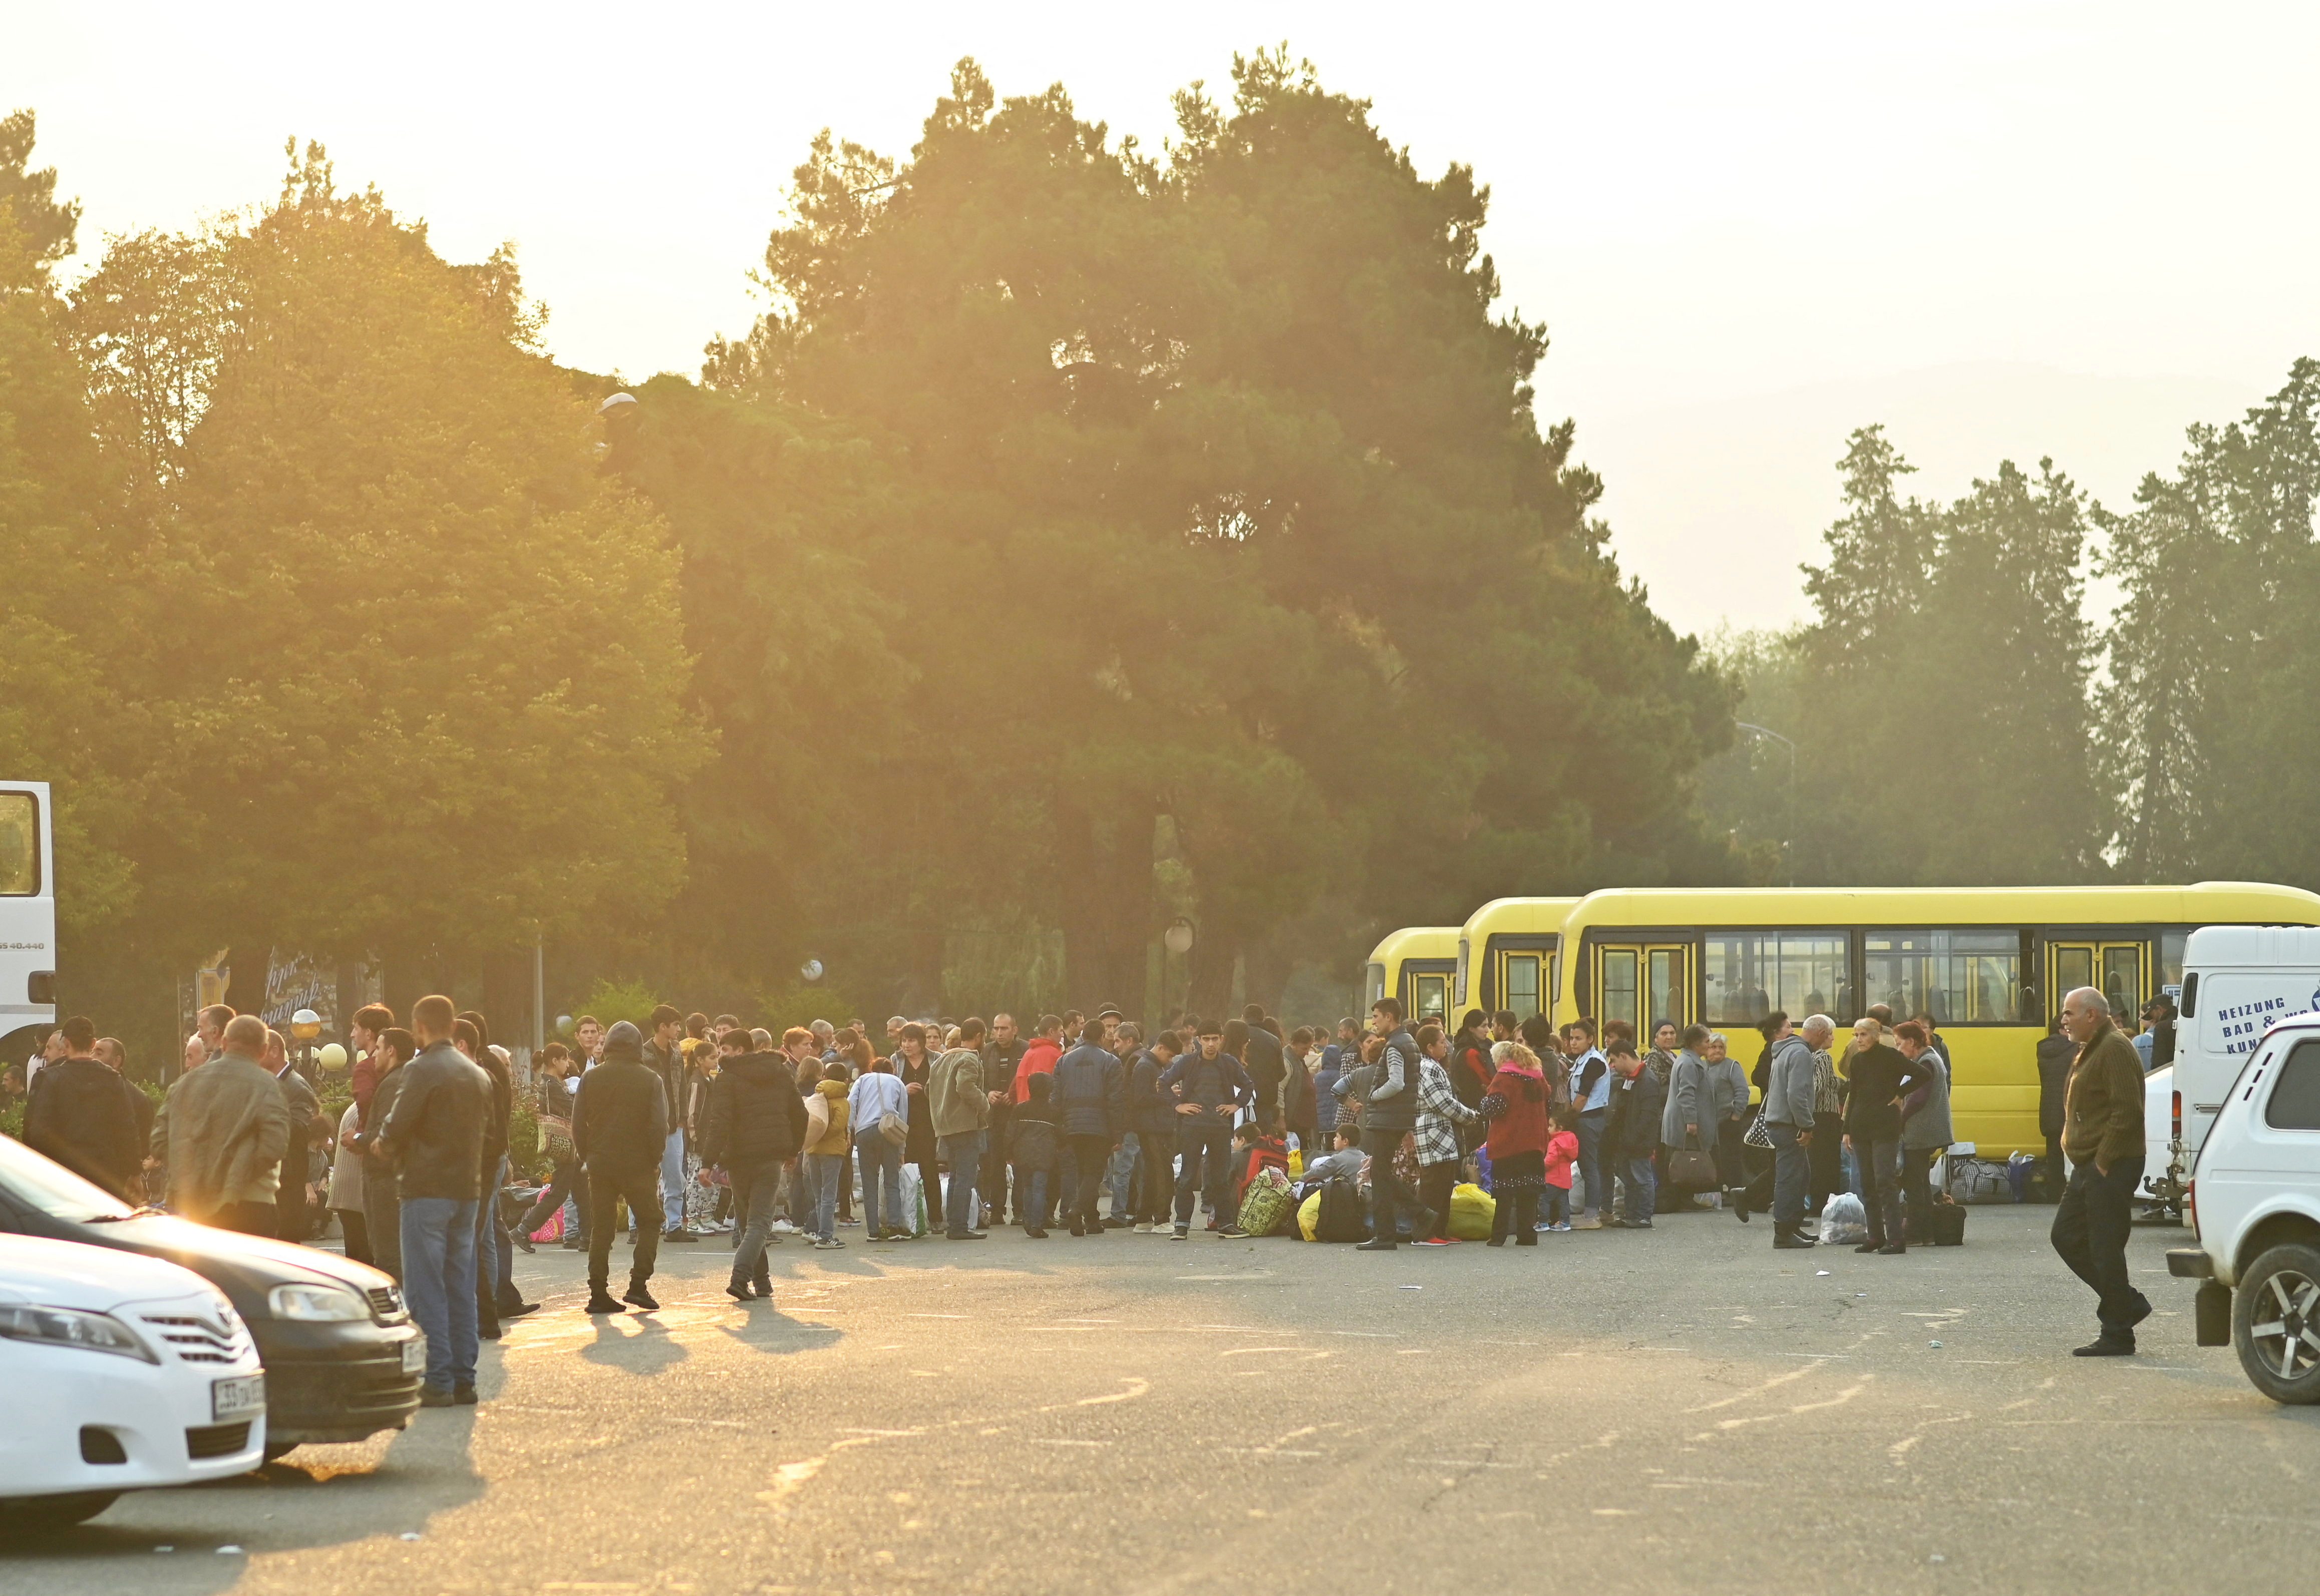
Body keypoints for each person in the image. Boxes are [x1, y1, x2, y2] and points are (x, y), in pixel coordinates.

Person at [378, 996, 491, 1406]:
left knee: (426, 1287)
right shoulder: (476, 1073)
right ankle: (464, 1377)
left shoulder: (421, 1068)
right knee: (461, 1285)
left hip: (426, 1189)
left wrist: (381, 1144)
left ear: (419, 1026)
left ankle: (437, 1377)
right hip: (467, 1189)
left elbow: (397, 1125)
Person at [2051, 986, 2152, 1356]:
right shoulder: (2091, 1046)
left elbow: (2127, 1111)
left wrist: (2103, 1162)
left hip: (2109, 1163)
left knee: (2105, 1247)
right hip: (2089, 1163)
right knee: (2065, 1236)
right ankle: (2126, 1304)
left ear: (2091, 1015)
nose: (2063, 1020)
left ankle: (2117, 1334)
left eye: (2069, 1013)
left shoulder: (2113, 1048)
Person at [150, 1014, 296, 1234]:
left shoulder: (184, 1084)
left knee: (201, 1268)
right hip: (251, 1203)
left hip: (193, 1203)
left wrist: (187, 1173)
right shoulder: (268, 1086)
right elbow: (275, 1145)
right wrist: (237, 1176)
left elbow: (159, 1140)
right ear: (264, 1050)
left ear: (225, 1044)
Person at [701, 1025, 808, 1301]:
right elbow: (800, 1114)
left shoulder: (727, 1078)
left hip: (738, 1158)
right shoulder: (780, 1072)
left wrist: (708, 1162)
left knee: (752, 1222)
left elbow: (719, 1123)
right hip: (771, 1156)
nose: (722, 1054)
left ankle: (741, 1277)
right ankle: (760, 1282)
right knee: (757, 1222)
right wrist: (793, 1150)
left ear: (740, 1050)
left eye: (725, 1049)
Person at [573, 1020, 672, 1306]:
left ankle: (598, 1293)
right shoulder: (650, 1079)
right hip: (638, 1163)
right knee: (650, 1221)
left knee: (601, 1228)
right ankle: (638, 1285)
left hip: (601, 1162)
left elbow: (578, 1124)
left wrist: (587, 1156)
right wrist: (655, 1159)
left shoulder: (590, 1078)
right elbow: (658, 1126)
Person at [24, 1014, 145, 1201]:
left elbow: (38, 1133)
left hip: (63, 1176)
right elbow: (127, 1130)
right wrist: (135, 1173)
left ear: (66, 1044)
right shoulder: (113, 1079)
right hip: (106, 1176)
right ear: (93, 1043)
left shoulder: (50, 1079)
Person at [1157, 1018, 1253, 1240]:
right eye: (1206, 1039)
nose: (1211, 1044)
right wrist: (1178, 1105)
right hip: (1192, 1127)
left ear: (1221, 1040)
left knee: (1221, 1177)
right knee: (1188, 1176)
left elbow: (1248, 1085)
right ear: (1199, 1040)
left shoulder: (1229, 1063)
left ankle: (1225, 1223)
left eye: (1215, 1039)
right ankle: (1181, 1225)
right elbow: (1162, 1083)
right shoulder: (1187, 1063)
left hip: (1220, 1127)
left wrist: (1236, 1105)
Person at [1841, 1015, 1928, 1256]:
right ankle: (1875, 1236)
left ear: (1876, 1036)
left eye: (1864, 1035)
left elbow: (1922, 1074)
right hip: (1860, 1126)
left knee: (1884, 1182)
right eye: (1856, 1036)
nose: (1859, 1040)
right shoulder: (1857, 1061)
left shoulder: (1890, 1057)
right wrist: (1846, 1130)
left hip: (1885, 1126)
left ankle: (1896, 1239)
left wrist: (1900, 1093)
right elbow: (1854, 1095)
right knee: (1867, 1184)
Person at [1351, 1000, 1425, 1252]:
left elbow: (1396, 1083)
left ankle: (1388, 1233)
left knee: (1380, 1175)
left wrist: (1372, 1097)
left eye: (1376, 1017)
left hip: (1388, 1118)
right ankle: (1415, 1216)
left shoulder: (1394, 1046)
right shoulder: (1409, 1042)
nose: (1373, 1022)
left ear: (1389, 1017)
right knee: (1382, 1174)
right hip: (1400, 1117)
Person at [1050, 1018, 1126, 1238]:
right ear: (1103, 1037)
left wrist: (1059, 1126)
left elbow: (1056, 1097)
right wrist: (1117, 1132)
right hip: (1099, 1125)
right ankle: (1077, 1209)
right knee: (1094, 1173)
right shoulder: (1111, 1062)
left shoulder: (1064, 1061)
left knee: (1083, 1172)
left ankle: (1092, 1220)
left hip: (1072, 1124)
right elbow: (1115, 1100)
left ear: (1083, 1035)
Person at [351, 1028, 416, 1279]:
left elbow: (387, 1133)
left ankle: (396, 1312)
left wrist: (356, 1138)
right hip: (389, 1176)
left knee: (387, 1253)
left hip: (384, 1178)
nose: (374, 1055)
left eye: (378, 1048)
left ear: (391, 1051)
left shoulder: (392, 1084)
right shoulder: (402, 1079)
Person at [1413, 1023, 1480, 1244]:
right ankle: (1425, 1234)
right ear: (1430, 1047)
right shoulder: (1427, 1067)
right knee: (1433, 1186)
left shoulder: (1432, 1065)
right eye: (1442, 1043)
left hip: (1440, 1135)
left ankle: (1440, 1231)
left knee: (1444, 1185)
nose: (1447, 1047)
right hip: (1434, 1134)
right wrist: (1471, 1115)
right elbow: (1441, 1102)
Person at [1479, 1040, 1550, 1246]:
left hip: (1509, 1142)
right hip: (1534, 1141)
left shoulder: (1503, 1079)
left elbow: (1496, 1107)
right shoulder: (1538, 1077)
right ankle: (1527, 1235)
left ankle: (1498, 1236)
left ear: (1502, 1059)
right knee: (1528, 1192)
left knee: (1505, 1194)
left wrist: (1483, 1102)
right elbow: (1549, 1106)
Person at [1759, 1012, 1818, 1249]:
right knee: (1789, 1180)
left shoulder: (1784, 1051)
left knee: (1801, 1176)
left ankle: (1792, 1226)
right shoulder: (1799, 1052)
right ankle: (1783, 1232)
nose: (1792, 1029)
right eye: (1788, 1026)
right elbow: (1796, 1094)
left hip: (1780, 1123)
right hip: (1788, 1125)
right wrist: (1807, 1124)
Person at [262, 1026, 326, 1243]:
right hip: (274, 1180)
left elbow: (301, 1130)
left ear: (274, 1051)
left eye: (258, 1050)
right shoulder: (272, 1084)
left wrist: (263, 1112)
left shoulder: (296, 1086)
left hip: (288, 1183)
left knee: (285, 1247)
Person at [929, 1019, 990, 1241]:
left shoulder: (941, 1060)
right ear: (979, 1036)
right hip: (966, 1126)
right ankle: (959, 1227)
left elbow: (929, 1089)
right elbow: (965, 1086)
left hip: (945, 1126)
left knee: (956, 1176)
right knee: (966, 1177)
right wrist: (985, 1104)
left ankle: (954, 1225)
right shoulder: (969, 1058)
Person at [642, 1004, 698, 1244]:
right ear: (662, 1027)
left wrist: (684, 1117)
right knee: (644, 1176)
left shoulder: (676, 1053)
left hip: (674, 1124)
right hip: (648, 1125)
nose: (678, 1029)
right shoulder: (643, 1054)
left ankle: (673, 1225)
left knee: (675, 1176)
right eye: (675, 1025)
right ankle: (639, 1226)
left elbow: (682, 1087)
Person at [1896, 1020, 1952, 1246]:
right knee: (1921, 1183)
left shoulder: (1926, 1061)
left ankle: (1915, 1234)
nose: (1899, 1049)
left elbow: (1919, 1097)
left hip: (1920, 1131)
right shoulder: (1930, 1058)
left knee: (1914, 1184)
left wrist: (1900, 1119)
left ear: (1912, 1042)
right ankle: (1927, 1233)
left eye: (1900, 1044)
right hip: (1926, 1130)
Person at [848, 1050, 911, 1241]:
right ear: (891, 1070)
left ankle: (873, 1231)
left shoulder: (862, 1080)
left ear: (872, 1068)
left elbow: (851, 1104)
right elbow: (903, 1115)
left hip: (864, 1132)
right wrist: (902, 1149)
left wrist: (848, 1131)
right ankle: (893, 1226)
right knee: (892, 1180)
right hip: (888, 1132)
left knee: (869, 1182)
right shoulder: (898, 1083)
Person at [1604, 1040, 1665, 1229]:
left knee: (1642, 1178)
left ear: (1624, 1056)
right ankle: (1630, 1215)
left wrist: (1633, 1138)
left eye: (1614, 1060)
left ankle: (1644, 1216)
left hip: (1638, 1141)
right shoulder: (1630, 1078)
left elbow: (1648, 1116)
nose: (1613, 1066)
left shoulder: (1647, 1080)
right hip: (1626, 1139)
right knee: (1629, 1179)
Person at [1128, 1030, 1178, 1232]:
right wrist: (1167, 1095)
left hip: (1156, 1125)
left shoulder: (1153, 1066)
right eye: (1170, 1055)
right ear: (1160, 1047)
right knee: (1162, 1172)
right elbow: (1140, 1099)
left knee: (1151, 1172)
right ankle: (1161, 1218)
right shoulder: (1145, 1067)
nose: (1170, 1060)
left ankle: (1144, 1218)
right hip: (1152, 1127)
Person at [1563, 1019, 1612, 1228]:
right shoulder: (1582, 1060)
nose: (1573, 1043)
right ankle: (1602, 1211)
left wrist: (1568, 1118)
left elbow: (1583, 1095)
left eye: (1579, 1038)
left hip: (1589, 1119)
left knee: (1589, 1167)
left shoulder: (1594, 1062)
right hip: (1587, 1118)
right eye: (1572, 1038)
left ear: (1590, 1039)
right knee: (1595, 1166)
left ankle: (1592, 1216)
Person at [895, 1024, 941, 1237]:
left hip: (929, 1123)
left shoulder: (936, 1059)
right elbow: (889, 1090)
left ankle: (936, 1219)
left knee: (929, 1170)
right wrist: (904, 1091)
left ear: (921, 1042)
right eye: (904, 1040)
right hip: (904, 1124)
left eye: (912, 1041)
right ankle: (906, 1218)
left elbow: (943, 1088)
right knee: (905, 1172)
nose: (907, 1045)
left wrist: (927, 1090)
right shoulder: (896, 1061)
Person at [980, 1013, 1026, 1227]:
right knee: (995, 1165)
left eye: (1004, 1029)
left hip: (1019, 1116)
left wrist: (1015, 1094)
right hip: (994, 1116)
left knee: (1021, 1164)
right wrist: (988, 1093)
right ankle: (997, 1210)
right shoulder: (987, 1051)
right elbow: (979, 1080)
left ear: (1014, 1030)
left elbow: (1032, 1080)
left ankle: (1020, 1210)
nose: (999, 1033)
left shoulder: (1025, 1050)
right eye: (996, 1028)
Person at [1702, 1031, 1753, 1221]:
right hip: (1708, 1124)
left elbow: (1742, 1091)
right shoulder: (1703, 1067)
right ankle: (1715, 1193)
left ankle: (1735, 1193)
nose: (1717, 1051)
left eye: (1720, 1047)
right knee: (1713, 1158)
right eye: (1713, 1047)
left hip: (1728, 1121)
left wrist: (1736, 1115)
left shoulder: (1732, 1066)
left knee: (1732, 1159)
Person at [1009, 1072, 1064, 1237]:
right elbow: (1061, 1134)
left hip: (1023, 1154)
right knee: (1040, 1188)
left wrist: (1009, 1151)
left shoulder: (1020, 1109)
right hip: (1044, 1155)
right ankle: (1037, 1224)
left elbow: (1010, 1133)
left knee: (1028, 1187)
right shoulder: (1053, 1111)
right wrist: (1061, 1146)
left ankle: (1027, 1220)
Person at [326, 1095, 371, 1265]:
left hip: (349, 1192)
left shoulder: (359, 1105)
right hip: (357, 1192)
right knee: (366, 1257)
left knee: (357, 1255)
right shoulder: (365, 1107)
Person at [2036, 1015, 2076, 1201]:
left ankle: (2054, 1192)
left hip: (2049, 1108)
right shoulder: (2074, 1049)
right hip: (2069, 1107)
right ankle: (2073, 1192)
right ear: (2061, 1029)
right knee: (2074, 1151)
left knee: (2054, 1152)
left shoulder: (2042, 1048)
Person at [1541, 1105, 1579, 1232]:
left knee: (1544, 1198)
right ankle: (1565, 1222)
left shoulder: (1556, 1142)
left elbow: (1551, 1159)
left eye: (1550, 1126)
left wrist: (1540, 1167)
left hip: (1552, 1177)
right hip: (1565, 1178)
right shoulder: (1571, 1141)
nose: (1548, 1129)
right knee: (1563, 1201)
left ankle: (1543, 1222)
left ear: (1559, 1128)